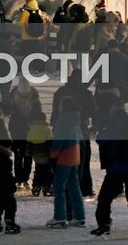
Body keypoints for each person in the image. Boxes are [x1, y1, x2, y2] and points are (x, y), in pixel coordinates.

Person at [91, 103, 128, 237]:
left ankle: (104, 224)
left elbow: (100, 140)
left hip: (116, 168)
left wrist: (103, 127)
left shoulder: (111, 126)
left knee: (104, 198)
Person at [48, 95, 85, 229]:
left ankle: (59, 216)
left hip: (64, 157)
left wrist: (52, 155)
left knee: (59, 188)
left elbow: (59, 141)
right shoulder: (76, 120)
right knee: (74, 187)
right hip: (75, 156)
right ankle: (79, 216)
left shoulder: (63, 121)